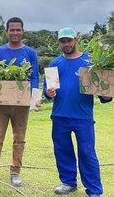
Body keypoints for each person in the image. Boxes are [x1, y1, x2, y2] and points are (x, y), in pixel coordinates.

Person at [43, 28, 112, 197]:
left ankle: (94, 190)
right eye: (63, 41)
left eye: (69, 40)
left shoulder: (90, 62)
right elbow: (47, 90)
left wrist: (106, 92)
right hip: (59, 115)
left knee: (87, 153)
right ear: (59, 43)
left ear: (76, 40)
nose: (66, 44)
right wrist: (48, 93)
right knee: (62, 150)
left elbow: (105, 96)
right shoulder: (54, 64)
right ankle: (68, 182)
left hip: (83, 117)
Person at [0, 17, 39, 191]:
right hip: (1, 104)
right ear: (6, 32)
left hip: (21, 104)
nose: (15, 33)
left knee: (19, 139)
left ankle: (15, 172)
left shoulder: (30, 53)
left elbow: (35, 76)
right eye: (11, 30)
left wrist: (34, 96)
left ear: (23, 31)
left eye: (18, 30)